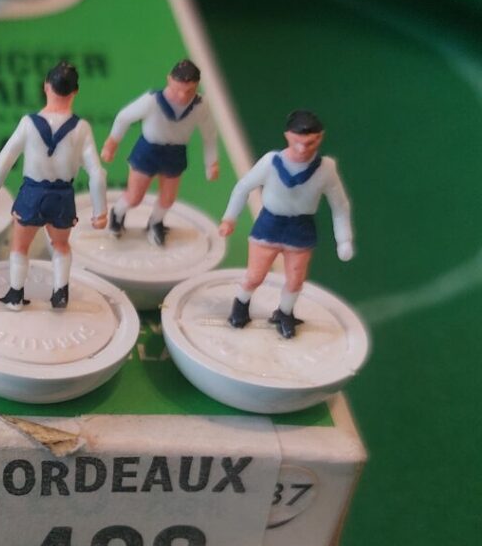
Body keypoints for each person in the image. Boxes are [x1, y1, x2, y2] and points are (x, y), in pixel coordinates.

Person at [0, 61, 106, 309]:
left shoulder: (28, 123)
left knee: (20, 246)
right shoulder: (81, 128)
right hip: (62, 197)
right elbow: (96, 173)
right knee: (61, 245)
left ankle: (16, 295)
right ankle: (60, 293)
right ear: (75, 91)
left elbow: (4, 159)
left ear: (46, 86)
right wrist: (100, 211)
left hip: (32, 194)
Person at [219, 110, 353, 339]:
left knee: (295, 279)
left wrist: (344, 239)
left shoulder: (326, 169)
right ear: (288, 136)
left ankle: (284, 313)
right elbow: (243, 187)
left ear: (320, 138)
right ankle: (240, 306)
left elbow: (340, 206)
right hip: (270, 224)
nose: (302, 149)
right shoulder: (271, 162)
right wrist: (229, 218)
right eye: (297, 142)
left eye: (310, 143)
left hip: (301, 229)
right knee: (254, 276)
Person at [101, 59, 218, 245]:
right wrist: (111, 143)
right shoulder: (152, 101)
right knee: (134, 196)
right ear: (169, 79)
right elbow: (124, 118)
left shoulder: (200, 106)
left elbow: (209, 135)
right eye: (177, 89)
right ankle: (117, 214)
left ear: (197, 86)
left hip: (175, 154)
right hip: (148, 152)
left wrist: (211, 162)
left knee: (168, 198)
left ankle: (155, 222)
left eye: (189, 91)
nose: (182, 96)